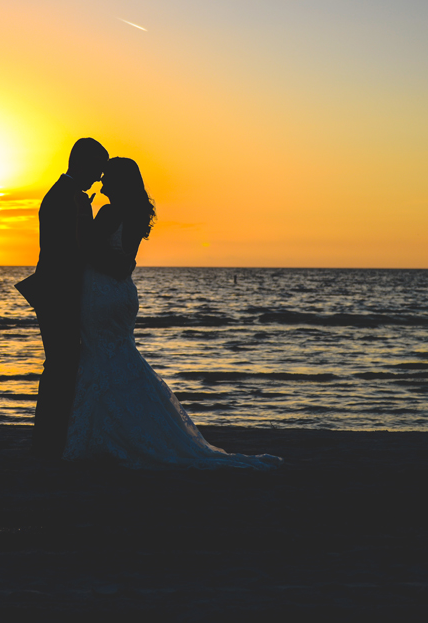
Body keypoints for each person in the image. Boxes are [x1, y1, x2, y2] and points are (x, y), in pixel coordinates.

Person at [63, 157, 282, 470]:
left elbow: (92, 252)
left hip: (102, 294)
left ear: (119, 182)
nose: (101, 183)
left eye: (107, 178)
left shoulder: (110, 212)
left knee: (101, 360)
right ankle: (118, 430)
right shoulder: (136, 215)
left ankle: (106, 436)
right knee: (118, 359)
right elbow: (124, 260)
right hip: (122, 294)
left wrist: (82, 215)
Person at [16, 138, 112, 459]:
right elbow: (71, 252)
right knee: (61, 366)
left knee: (63, 365)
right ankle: (49, 442)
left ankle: (52, 439)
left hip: (61, 292)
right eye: (97, 170)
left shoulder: (64, 195)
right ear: (81, 164)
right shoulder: (66, 198)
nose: (99, 178)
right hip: (60, 294)